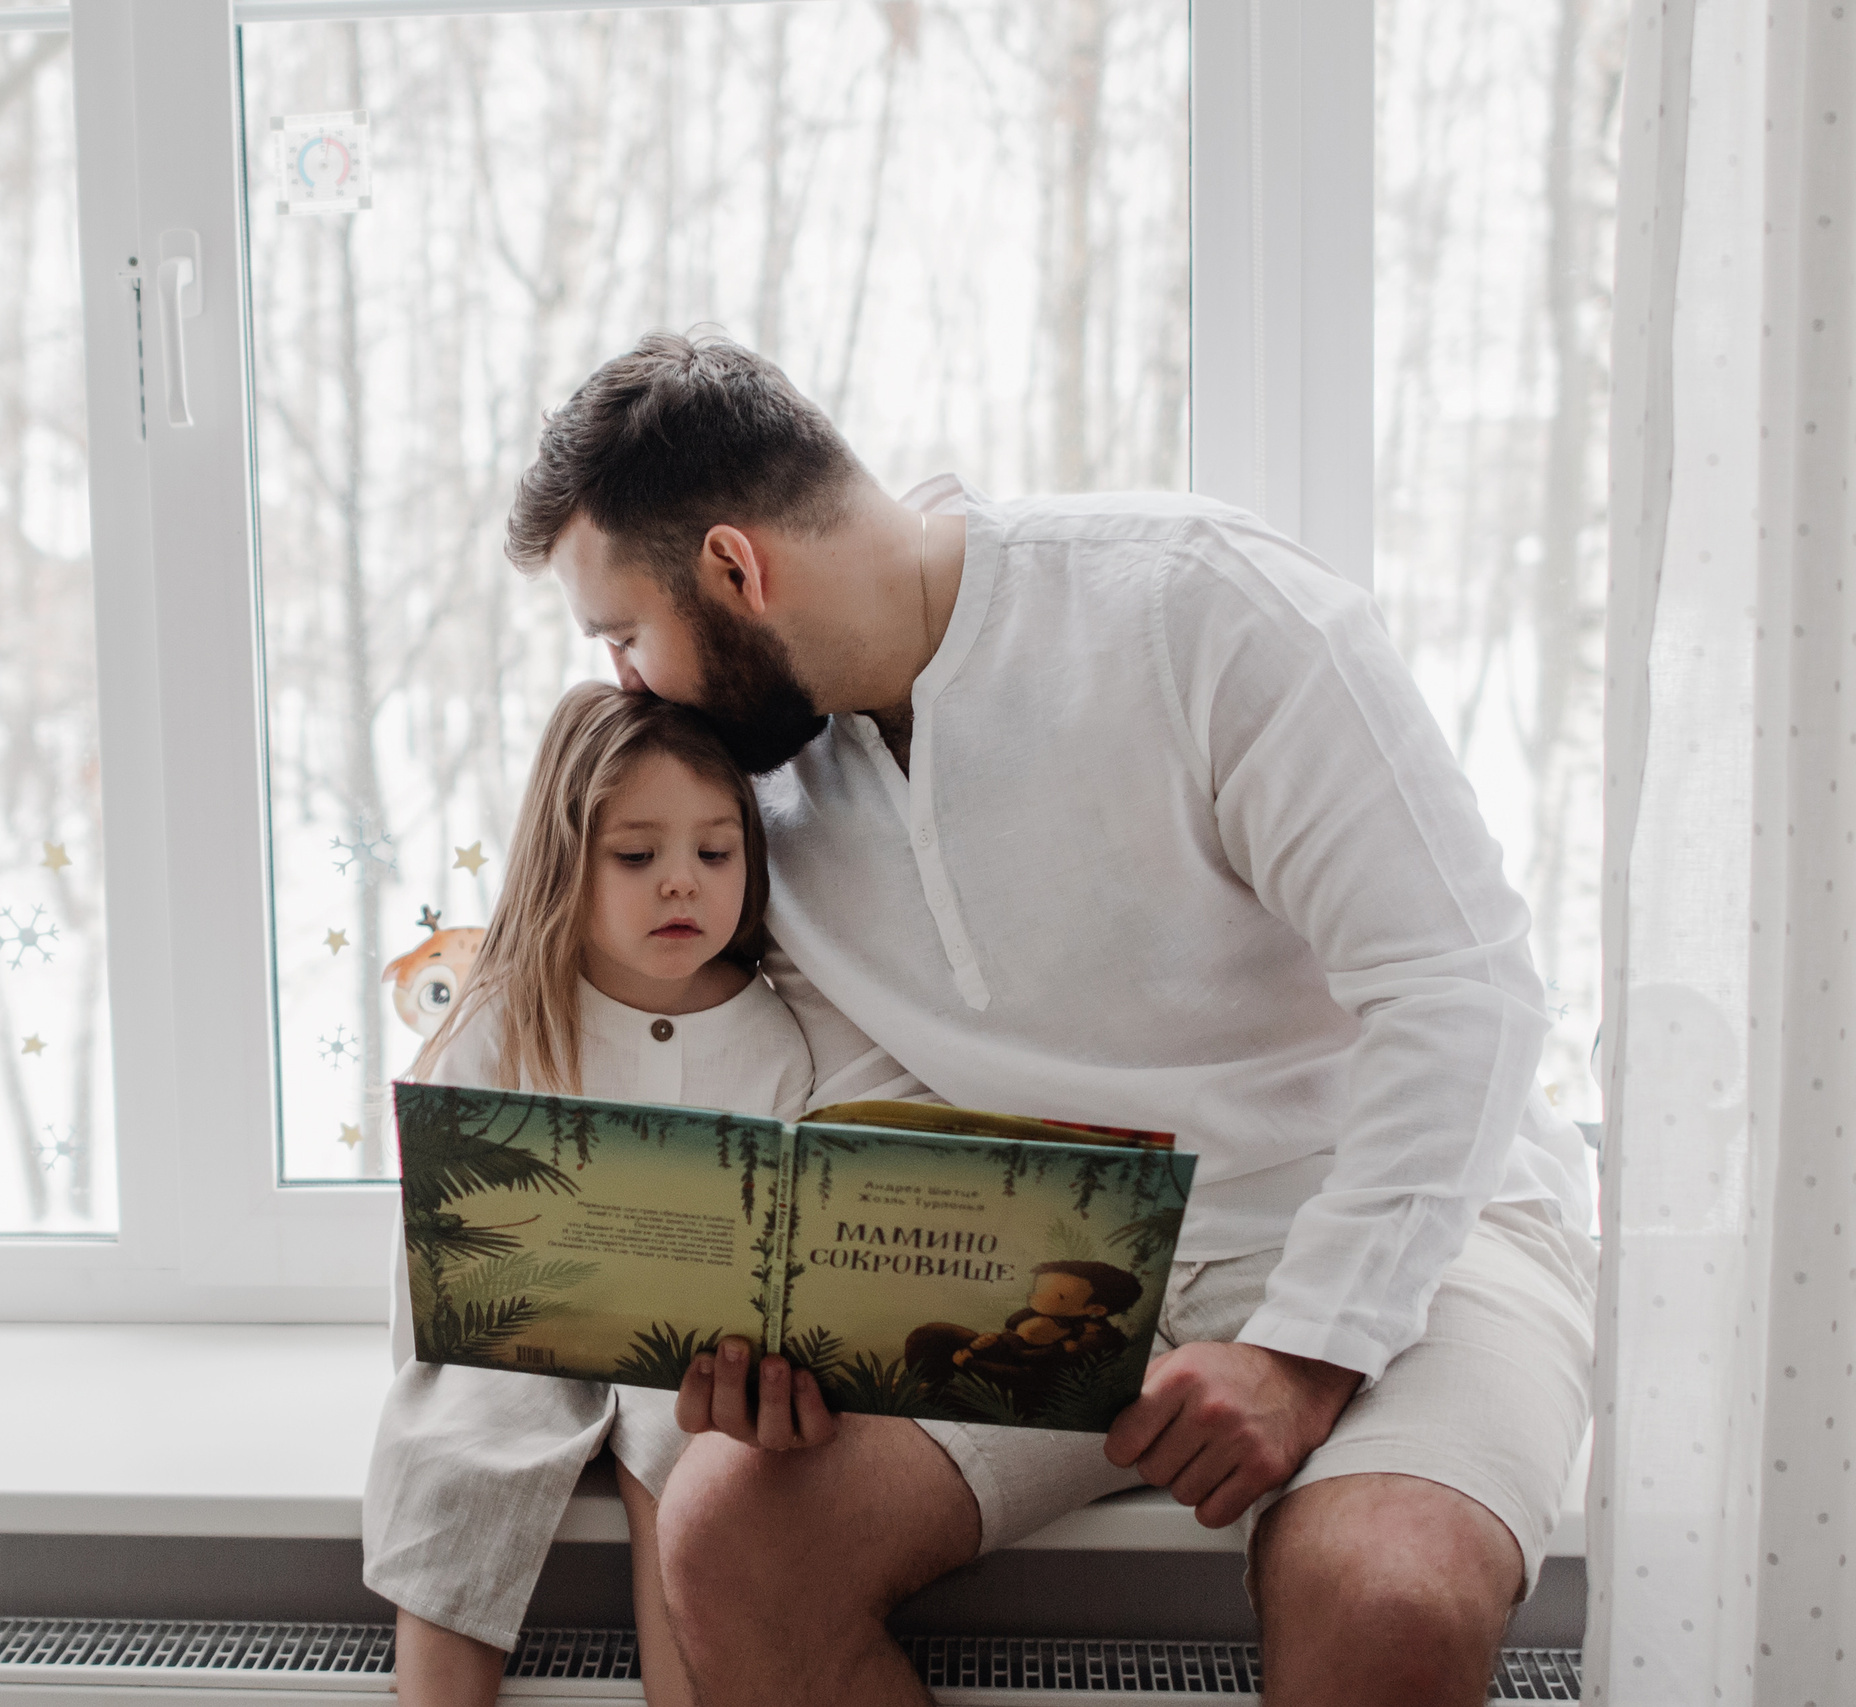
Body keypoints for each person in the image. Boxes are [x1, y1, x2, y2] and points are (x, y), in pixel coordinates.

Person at [501, 332, 1597, 1707]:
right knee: (735, 1538)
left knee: (1383, 1593)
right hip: (1059, 1250)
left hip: (1410, 1215)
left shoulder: (1200, 606)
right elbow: (853, 1077)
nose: (621, 685)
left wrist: (1307, 1345)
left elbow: (1462, 984)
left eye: (623, 633)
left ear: (736, 568)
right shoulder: (749, 797)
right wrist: (805, 1327)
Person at [362, 681, 817, 1707]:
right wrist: (432, 1369)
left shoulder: (775, 1038)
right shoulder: (502, 1019)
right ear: (567, 860)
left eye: (714, 854)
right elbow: (437, 1238)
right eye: (636, 855)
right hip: (516, 1338)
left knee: (701, 1480)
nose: (680, 886)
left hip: (697, 1351)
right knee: (454, 1466)